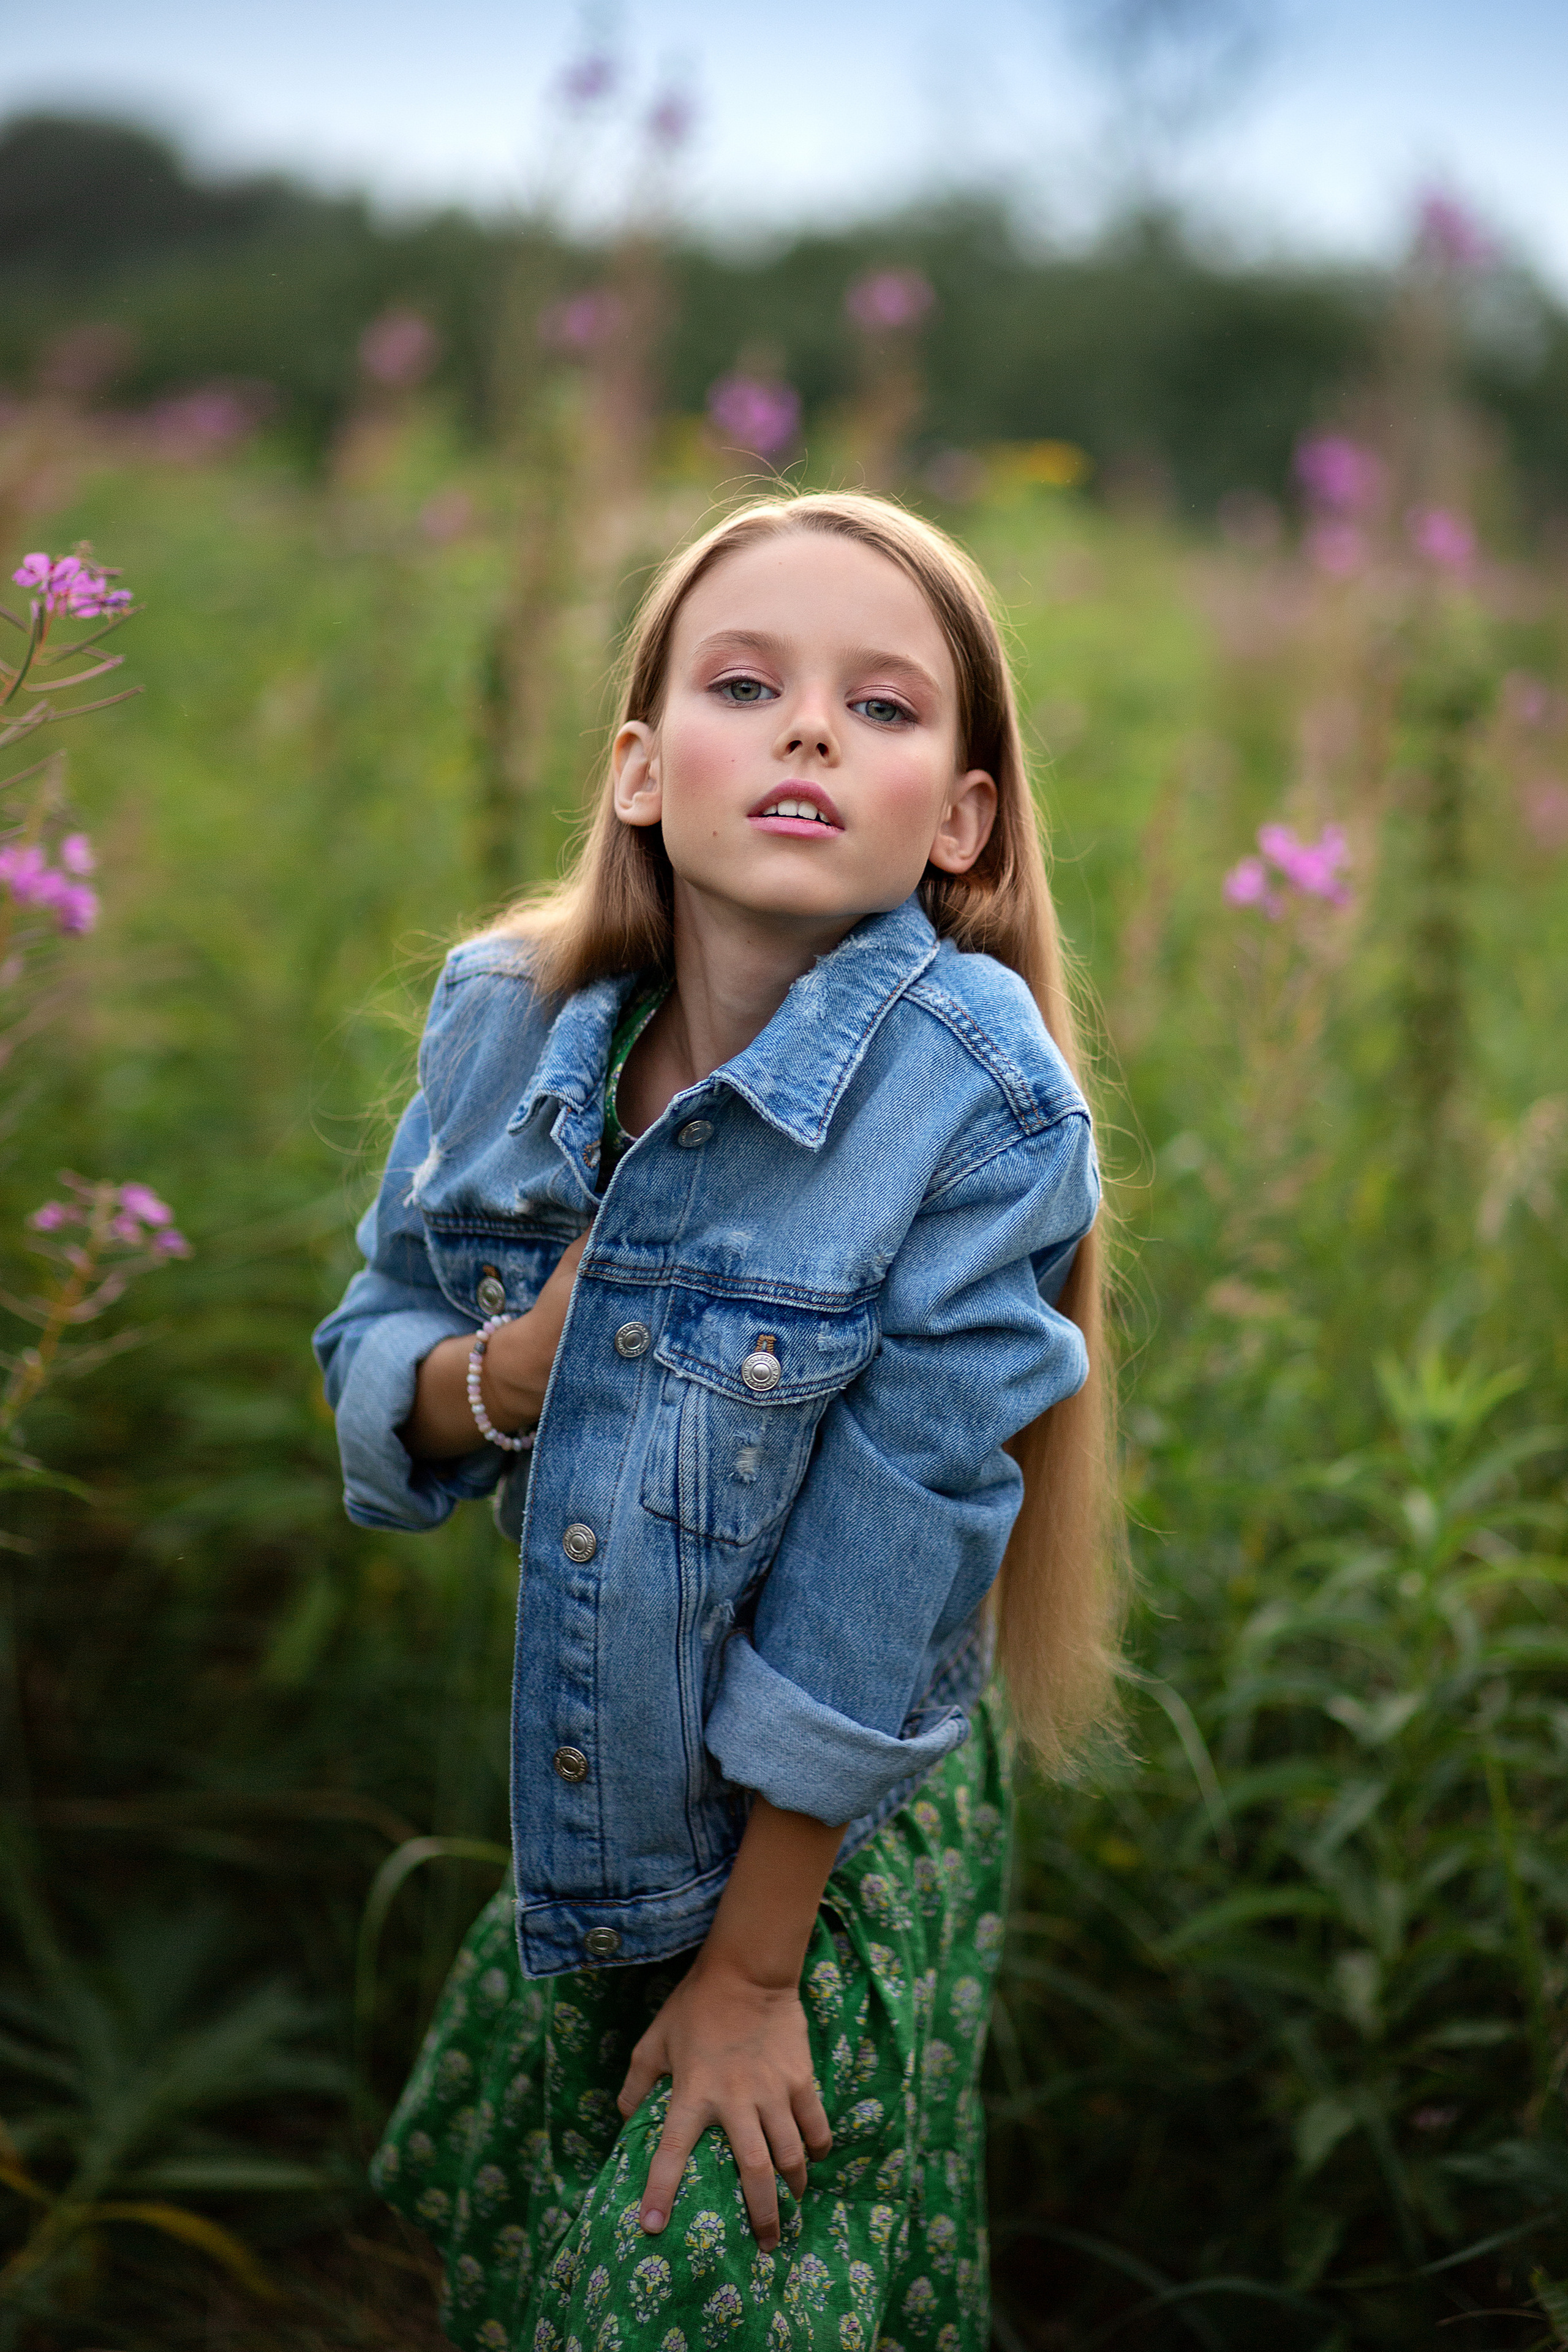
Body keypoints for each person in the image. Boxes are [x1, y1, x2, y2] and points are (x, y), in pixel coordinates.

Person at [314, 490, 1121, 2351]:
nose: (810, 730)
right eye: (746, 686)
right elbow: (379, 1336)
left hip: (836, 1813)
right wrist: (505, 1376)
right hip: (598, 1762)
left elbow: (901, 1550)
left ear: (963, 821)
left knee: (709, 2280)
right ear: (638, 769)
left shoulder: (976, 1106)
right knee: (555, 2262)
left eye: (883, 706)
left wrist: (757, 1972)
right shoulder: (509, 1022)